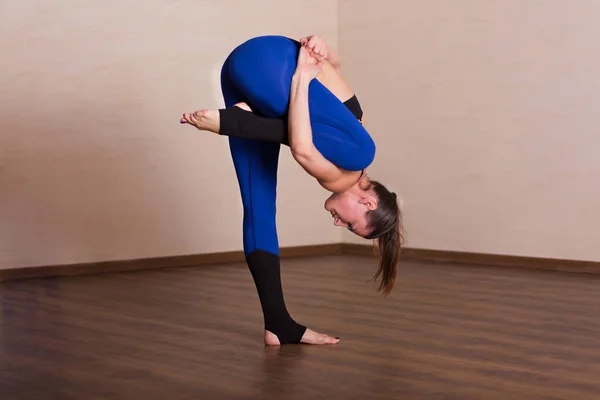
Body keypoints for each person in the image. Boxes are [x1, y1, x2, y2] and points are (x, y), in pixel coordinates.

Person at [181, 35, 404, 345]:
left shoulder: (350, 134)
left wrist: (321, 51)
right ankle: (241, 123)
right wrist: (304, 71)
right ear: (367, 200)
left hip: (246, 64)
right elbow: (302, 148)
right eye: (351, 224)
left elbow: (332, 69)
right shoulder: (353, 163)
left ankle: (278, 323)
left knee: (259, 207)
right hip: (267, 65)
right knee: (351, 148)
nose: (339, 224)